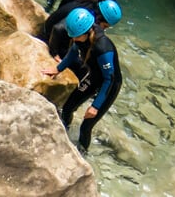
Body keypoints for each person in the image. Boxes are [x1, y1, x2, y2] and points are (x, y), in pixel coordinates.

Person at [40, 8, 124, 152]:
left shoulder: (103, 48)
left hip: (109, 85)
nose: (73, 38)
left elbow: (109, 78)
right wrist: (59, 68)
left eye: (76, 36)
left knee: (86, 125)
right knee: (67, 108)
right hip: (94, 77)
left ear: (86, 32)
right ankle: (63, 135)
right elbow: (73, 51)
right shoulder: (81, 37)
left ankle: (82, 153)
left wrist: (95, 106)